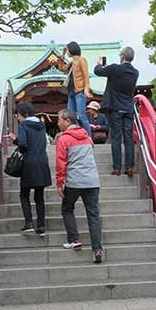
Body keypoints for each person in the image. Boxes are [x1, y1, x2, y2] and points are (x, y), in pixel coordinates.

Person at [55, 109, 104, 263]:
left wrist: (59, 182)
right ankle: (97, 249)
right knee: (93, 215)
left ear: (67, 121)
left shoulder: (63, 140)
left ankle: (75, 239)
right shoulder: (87, 137)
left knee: (67, 208)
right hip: (92, 180)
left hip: (74, 181)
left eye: (59, 120)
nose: (57, 123)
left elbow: (60, 164)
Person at [94, 46, 139, 176]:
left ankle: (117, 168)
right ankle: (130, 167)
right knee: (129, 138)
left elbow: (98, 71)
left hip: (116, 108)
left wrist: (99, 64)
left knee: (116, 138)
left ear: (123, 56)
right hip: (129, 108)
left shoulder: (115, 68)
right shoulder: (135, 72)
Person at [8, 102, 51, 236]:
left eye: (18, 115)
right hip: (42, 163)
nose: (18, 118)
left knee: (24, 194)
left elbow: (23, 144)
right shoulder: (41, 125)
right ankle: (41, 226)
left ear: (24, 115)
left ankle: (29, 223)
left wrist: (16, 140)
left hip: (29, 163)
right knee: (39, 196)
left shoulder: (24, 125)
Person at [58, 41, 92, 137]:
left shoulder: (81, 60)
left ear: (72, 49)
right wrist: (62, 55)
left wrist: (86, 88)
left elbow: (86, 75)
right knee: (71, 117)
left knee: (81, 116)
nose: (67, 51)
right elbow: (62, 68)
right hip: (71, 92)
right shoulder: (72, 62)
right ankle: (77, 137)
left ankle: (88, 138)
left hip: (79, 91)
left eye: (67, 49)